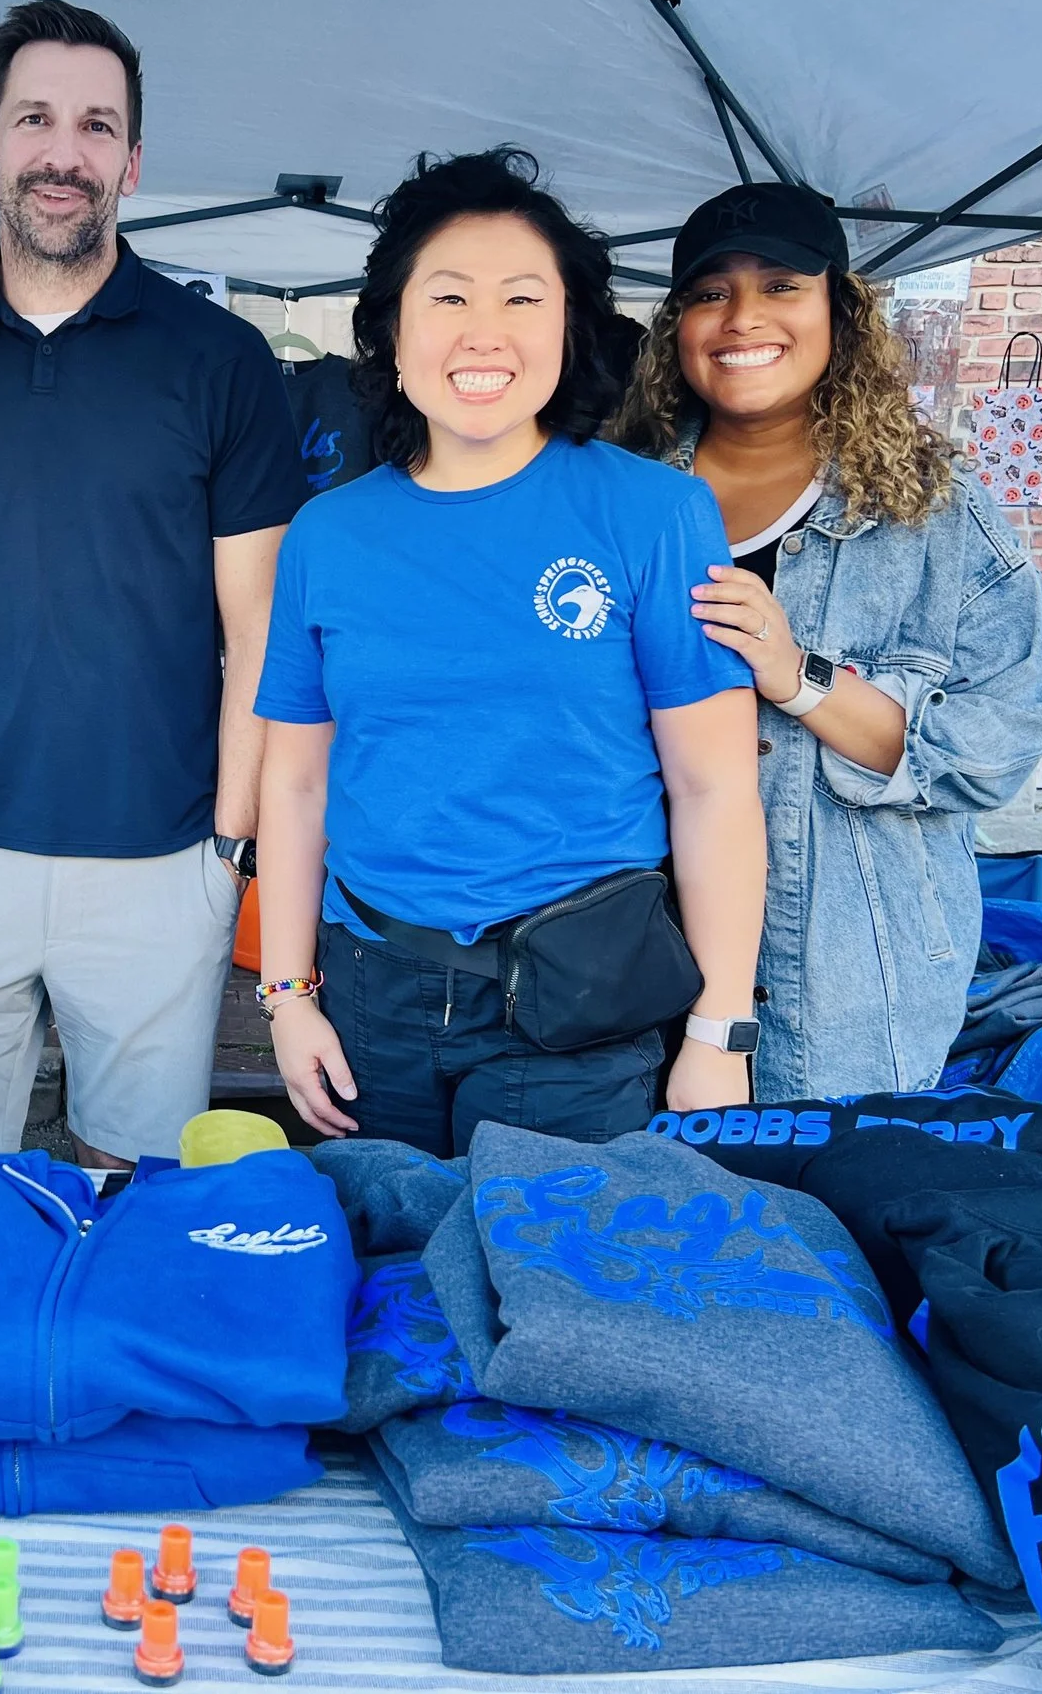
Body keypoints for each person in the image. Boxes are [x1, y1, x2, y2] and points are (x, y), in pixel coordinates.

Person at [0, 0, 305, 1167]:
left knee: (137, 1190)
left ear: (134, 161)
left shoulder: (223, 362)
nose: (64, 153)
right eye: (35, 120)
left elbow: (258, 620)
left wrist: (229, 843)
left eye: (97, 126)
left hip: (160, 859)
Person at [254, 151, 767, 1152]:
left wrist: (720, 1028)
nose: (482, 332)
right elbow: (295, 786)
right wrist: (287, 997)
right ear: (392, 332)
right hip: (367, 998)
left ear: (566, 328)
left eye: (521, 298)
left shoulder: (653, 512)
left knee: (551, 1296)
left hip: (580, 1005)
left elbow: (713, 789)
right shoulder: (327, 532)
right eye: (446, 296)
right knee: (381, 1282)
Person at [613, 181, 1042, 1097]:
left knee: (829, 1226)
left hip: (853, 986)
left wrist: (800, 677)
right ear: (675, 327)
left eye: (781, 284)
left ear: (840, 312)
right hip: (620, 970)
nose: (743, 317)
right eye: (709, 292)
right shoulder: (616, 501)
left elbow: (995, 745)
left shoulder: (937, 519)